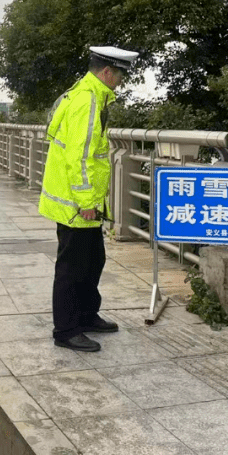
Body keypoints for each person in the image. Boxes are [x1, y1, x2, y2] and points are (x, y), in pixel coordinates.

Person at [39, 45, 138, 352]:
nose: (120, 81)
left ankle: (86, 314)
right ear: (106, 72)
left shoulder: (83, 94)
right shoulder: (87, 101)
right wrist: (85, 202)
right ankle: (67, 329)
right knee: (72, 267)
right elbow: (80, 157)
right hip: (76, 204)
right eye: (119, 75)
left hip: (82, 200)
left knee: (93, 260)